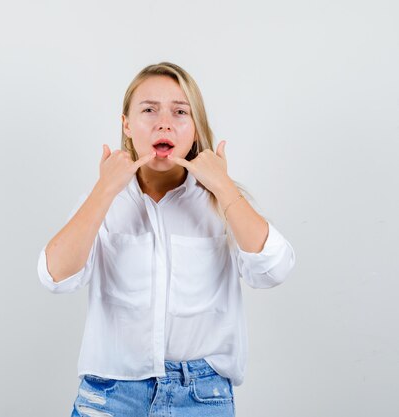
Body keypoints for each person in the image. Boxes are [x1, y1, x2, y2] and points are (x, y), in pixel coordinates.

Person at [37, 62, 296, 417]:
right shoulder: (103, 200)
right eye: (148, 110)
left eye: (179, 112)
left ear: (194, 127)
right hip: (110, 393)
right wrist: (105, 190)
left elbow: (274, 268)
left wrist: (222, 186)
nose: (164, 123)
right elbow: (54, 276)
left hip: (201, 395)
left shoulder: (221, 201)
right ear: (126, 125)